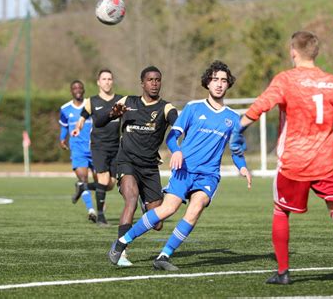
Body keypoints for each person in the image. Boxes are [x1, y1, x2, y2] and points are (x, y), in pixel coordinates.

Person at [230, 31, 333, 285]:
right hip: (327, 161)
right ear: (315, 53)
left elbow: (261, 106)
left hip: (295, 162)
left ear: (293, 52)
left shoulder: (285, 80)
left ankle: (283, 272)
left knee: (281, 211)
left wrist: (238, 130)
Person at [107, 60, 252, 271]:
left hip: (208, 175)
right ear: (207, 83)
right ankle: (122, 242)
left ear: (228, 84)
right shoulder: (193, 108)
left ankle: (164, 256)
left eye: (223, 80)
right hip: (184, 170)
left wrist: (243, 166)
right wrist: (177, 151)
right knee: (167, 209)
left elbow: (236, 147)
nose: (219, 84)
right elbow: (173, 137)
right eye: (215, 80)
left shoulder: (232, 117)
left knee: (195, 209)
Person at [95, 66, 178, 267]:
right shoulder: (127, 102)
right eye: (150, 80)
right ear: (142, 83)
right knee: (130, 198)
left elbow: (180, 125)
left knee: (157, 223)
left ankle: (146, 203)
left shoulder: (166, 108)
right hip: (126, 162)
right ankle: (121, 251)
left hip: (150, 168)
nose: (154, 83)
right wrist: (111, 113)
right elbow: (98, 121)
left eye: (158, 79)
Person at [72, 69, 122, 226]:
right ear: (98, 82)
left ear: (112, 81)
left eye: (109, 79)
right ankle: (101, 216)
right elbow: (82, 118)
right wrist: (78, 128)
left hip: (116, 146)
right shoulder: (91, 101)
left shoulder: (121, 100)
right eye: (104, 79)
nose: (107, 82)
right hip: (99, 145)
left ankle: (83, 187)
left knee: (110, 184)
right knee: (103, 179)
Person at [59, 80, 98, 223]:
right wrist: (62, 139)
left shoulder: (91, 105)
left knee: (102, 182)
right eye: (75, 87)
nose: (78, 90)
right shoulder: (65, 109)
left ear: (84, 90)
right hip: (77, 150)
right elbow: (63, 127)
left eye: (80, 87)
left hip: (95, 148)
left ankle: (95, 200)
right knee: (83, 179)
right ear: (71, 91)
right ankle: (91, 210)